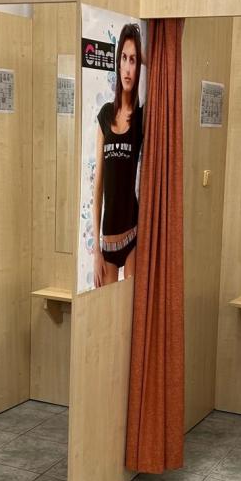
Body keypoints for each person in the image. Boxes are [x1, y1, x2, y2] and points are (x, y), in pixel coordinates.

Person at [92, 22, 144, 288]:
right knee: (107, 306)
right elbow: (98, 186)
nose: (127, 67)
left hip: (133, 232)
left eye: (133, 60)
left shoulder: (142, 118)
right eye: (124, 58)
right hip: (108, 239)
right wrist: (96, 251)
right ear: (117, 62)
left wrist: (143, 53)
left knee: (131, 305)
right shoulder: (105, 115)